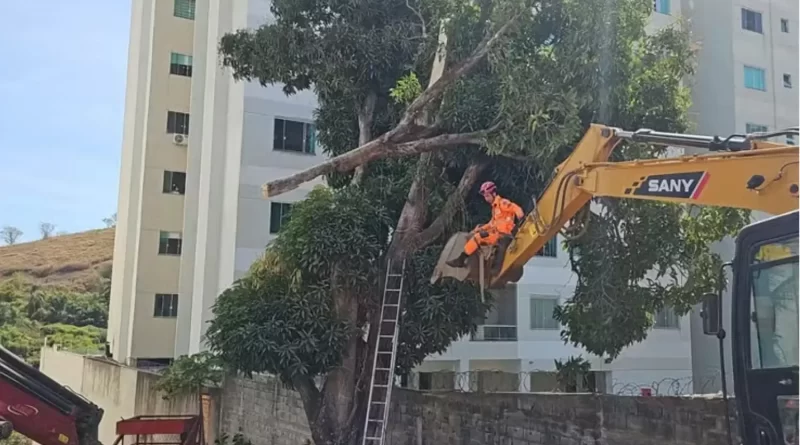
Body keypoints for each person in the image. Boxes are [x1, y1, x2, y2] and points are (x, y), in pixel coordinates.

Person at [446, 181, 524, 268]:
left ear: (493, 193)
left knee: (478, 237)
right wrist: (480, 228)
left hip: (503, 235)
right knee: (477, 234)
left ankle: (461, 260)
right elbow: (491, 223)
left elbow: (516, 208)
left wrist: (521, 218)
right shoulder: (495, 208)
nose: (485, 198)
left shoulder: (502, 203)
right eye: (484, 196)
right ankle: (463, 259)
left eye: (487, 196)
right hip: (496, 234)